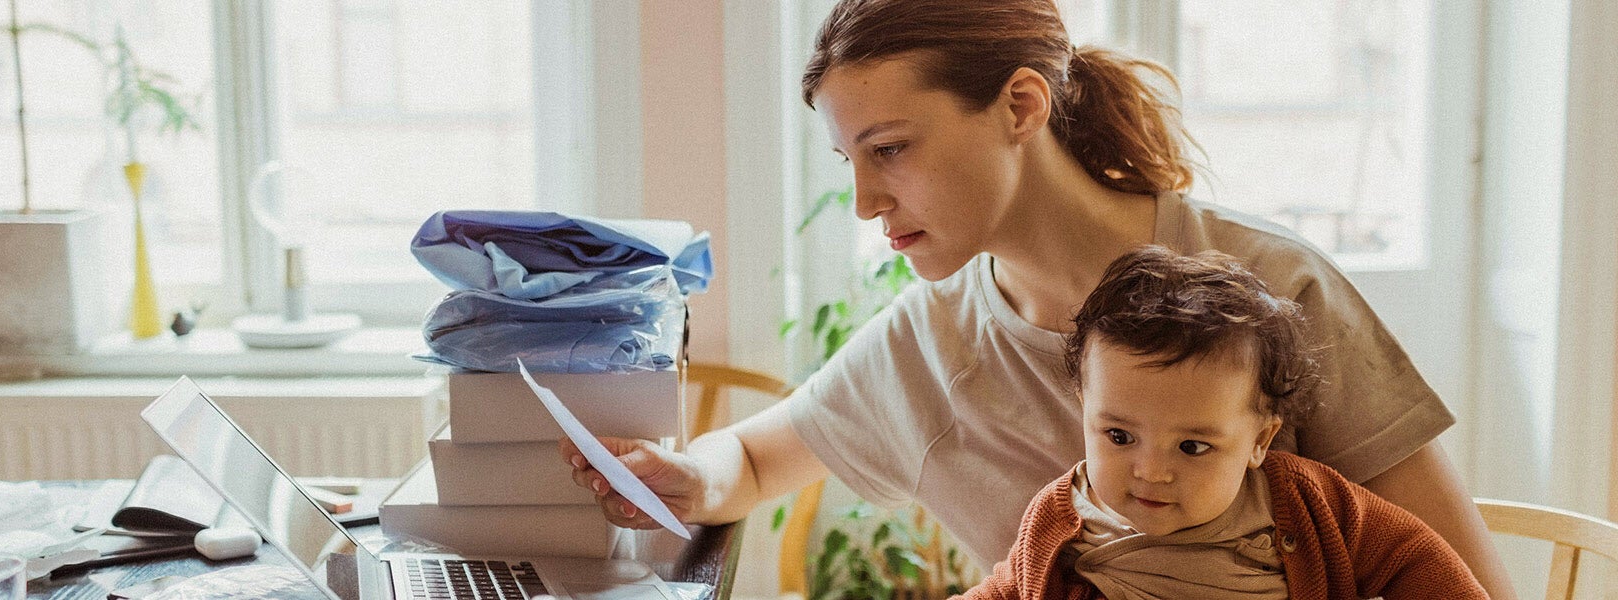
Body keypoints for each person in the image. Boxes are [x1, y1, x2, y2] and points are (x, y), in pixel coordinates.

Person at [559, 0, 1517, 597]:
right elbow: (754, 463)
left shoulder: (1271, 289)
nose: (864, 201)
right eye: (849, 161)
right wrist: (686, 480)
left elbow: (1461, 576)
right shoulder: (924, 345)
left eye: (891, 148)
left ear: (1021, 105)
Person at [956, 245, 1487, 599]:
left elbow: (1415, 559)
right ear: (1084, 410)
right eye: (1119, 437)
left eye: (1192, 447)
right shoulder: (1060, 519)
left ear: (1259, 440)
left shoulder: (1303, 504)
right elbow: (1005, 589)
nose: (1151, 471)